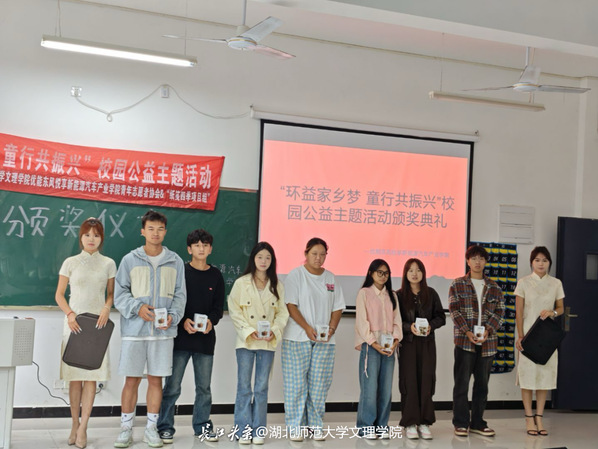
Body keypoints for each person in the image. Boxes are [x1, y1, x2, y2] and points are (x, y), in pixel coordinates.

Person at [113, 210, 186, 448]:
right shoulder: (129, 260)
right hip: (134, 332)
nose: (156, 233)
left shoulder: (175, 261)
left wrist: (173, 317)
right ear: (143, 231)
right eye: (151, 228)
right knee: (131, 380)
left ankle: (151, 429)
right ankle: (125, 429)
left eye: (160, 229)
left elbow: (180, 295)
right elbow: (120, 293)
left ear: (165, 231)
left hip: (162, 333)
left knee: (156, 380)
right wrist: (138, 307)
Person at [157, 229, 225, 444]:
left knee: (204, 388)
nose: (201, 249)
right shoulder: (181, 272)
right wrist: (182, 320)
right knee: (172, 387)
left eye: (205, 245)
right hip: (181, 338)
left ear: (210, 249)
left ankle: (202, 426)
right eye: (197, 245)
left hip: (205, 340)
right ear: (189, 249)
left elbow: (218, 307)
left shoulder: (216, 275)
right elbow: (173, 302)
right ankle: (165, 427)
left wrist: (211, 322)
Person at [55, 217, 116, 449]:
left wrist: (107, 307)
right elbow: (59, 295)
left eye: (96, 235)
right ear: (80, 237)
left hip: (97, 325)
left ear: (102, 239)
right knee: (74, 378)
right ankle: (74, 424)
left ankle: (84, 427)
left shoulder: (108, 263)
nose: (92, 239)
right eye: (87, 235)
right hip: (74, 324)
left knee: (91, 377)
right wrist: (70, 314)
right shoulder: (70, 262)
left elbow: (110, 294)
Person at [282, 237, 345, 442]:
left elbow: (338, 307)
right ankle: (295, 426)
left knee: (319, 385)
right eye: (314, 254)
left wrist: (332, 329)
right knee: (296, 385)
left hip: (325, 340)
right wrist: (307, 328)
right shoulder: (296, 275)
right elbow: (291, 305)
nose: (318, 258)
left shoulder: (331, 278)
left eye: (322, 254)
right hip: (297, 337)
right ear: (306, 254)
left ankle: (315, 426)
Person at [228, 242, 289, 445]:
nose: (264, 261)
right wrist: (248, 331)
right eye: (260, 257)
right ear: (253, 259)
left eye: (268, 258)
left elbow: (283, 313)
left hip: (267, 343)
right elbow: (234, 311)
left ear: (272, 261)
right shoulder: (241, 283)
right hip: (246, 342)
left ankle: (259, 430)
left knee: (261, 388)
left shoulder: (277, 285)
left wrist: (274, 331)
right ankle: (243, 430)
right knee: (244, 387)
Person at [449, 245, 505, 437]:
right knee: (461, 384)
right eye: (474, 258)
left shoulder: (494, 287)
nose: (477, 262)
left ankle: (478, 422)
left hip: (487, 343)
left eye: (481, 258)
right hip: (464, 342)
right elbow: (454, 310)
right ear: (468, 261)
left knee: (482, 385)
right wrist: (467, 331)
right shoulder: (457, 284)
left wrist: (488, 329)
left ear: (486, 262)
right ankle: (460, 423)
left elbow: (500, 312)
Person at [515, 246, 564, 436]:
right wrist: (521, 336)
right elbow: (519, 312)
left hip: (546, 337)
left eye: (544, 260)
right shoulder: (524, 282)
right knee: (527, 378)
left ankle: (540, 418)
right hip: (528, 335)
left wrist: (553, 312)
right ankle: (529, 418)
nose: (541, 263)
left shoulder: (556, 283)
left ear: (549, 262)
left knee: (544, 377)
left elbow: (561, 307)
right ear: (531, 263)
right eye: (537, 260)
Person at [397, 258, 446, 440]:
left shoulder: (431, 294)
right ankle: (410, 422)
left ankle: (424, 422)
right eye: (410, 270)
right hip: (408, 344)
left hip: (427, 344)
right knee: (409, 382)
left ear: (423, 273)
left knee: (426, 380)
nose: (414, 274)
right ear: (405, 274)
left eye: (418, 270)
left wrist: (431, 326)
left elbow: (441, 317)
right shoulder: (399, 295)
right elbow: (395, 321)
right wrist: (408, 327)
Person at [354, 259, 402, 440]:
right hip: (371, 346)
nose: (383, 276)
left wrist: (395, 341)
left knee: (385, 389)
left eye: (386, 273)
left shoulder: (392, 295)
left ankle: (382, 426)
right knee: (369, 389)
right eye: (379, 272)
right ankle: (365, 427)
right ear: (371, 273)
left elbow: (397, 320)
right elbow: (362, 322)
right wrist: (374, 343)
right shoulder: (364, 293)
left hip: (389, 347)